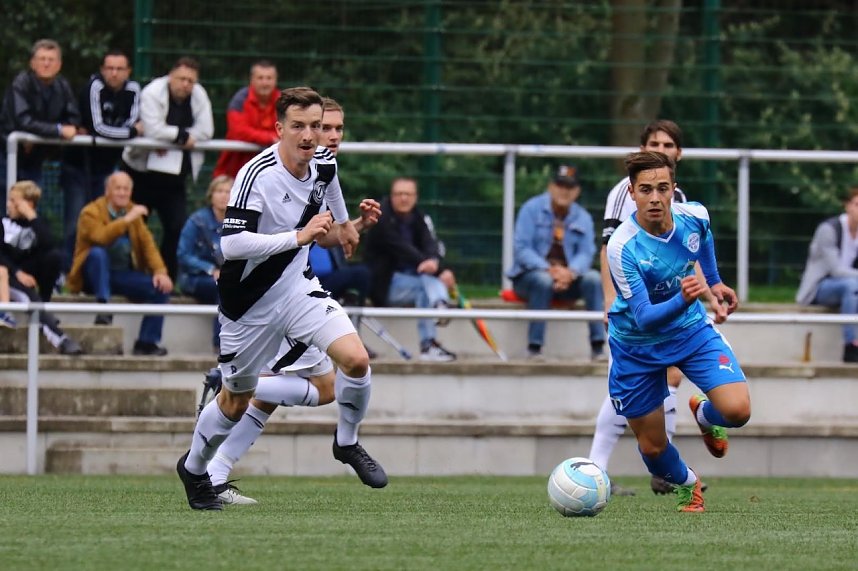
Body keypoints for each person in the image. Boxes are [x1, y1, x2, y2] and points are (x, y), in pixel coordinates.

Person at [177, 87, 381, 511]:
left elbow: (330, 183)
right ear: (279, 129)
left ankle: (347, 442)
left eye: (317, 126)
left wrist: (345, 226)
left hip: (296, 289)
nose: (311, 135)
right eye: (300, 126)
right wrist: (300, 236)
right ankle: (196, 468)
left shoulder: (322, 160)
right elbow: (231, 245)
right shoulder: (256, 174)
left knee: (356, 360)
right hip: (248, 304)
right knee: (235, 400)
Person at [606, 151, 750, 513]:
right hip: (637, 346)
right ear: (632, 192)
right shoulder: (623, 247)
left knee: (738, 411)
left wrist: (714, 284)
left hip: (690, 333)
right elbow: (643, 317)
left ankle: (704, 415)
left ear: (673, 189)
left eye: (662, 188)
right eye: (645, 190)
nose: (654, 197)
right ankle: (689, 483)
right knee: (653, 450)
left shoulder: (695, 216)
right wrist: (686, 299)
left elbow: (704, 241)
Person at [589, 119, 690, 495]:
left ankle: (663, 472)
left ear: (678, 153)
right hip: (632, 306)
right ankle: (596, 468)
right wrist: (609, 299)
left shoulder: (677, 199)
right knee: (627, 386)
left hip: (667, 306)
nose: (661, 150)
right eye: (654, 143)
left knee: (673, 376)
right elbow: (608, 247)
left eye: (667, 145)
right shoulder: (625, 192)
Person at [120, 56, 214, 281]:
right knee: (134, 226)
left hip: (174, 179)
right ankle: (132, 276)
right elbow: (152, 129)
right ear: (170, 76)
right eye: (181, 79)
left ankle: (166, 277)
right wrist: (180, 136)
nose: (186, 85)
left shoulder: (199, 95)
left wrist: (170, 138)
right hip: (141, 174)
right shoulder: (153, 92)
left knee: (177, 227)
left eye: (191, 81)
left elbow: (206, 131)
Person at [67, 171, 173, 356]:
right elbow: (101, 237)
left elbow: (148, 244)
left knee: (160, 288)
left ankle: (146, 343)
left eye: (126, 189)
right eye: (118, 188)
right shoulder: (90, 212)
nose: (123, 193)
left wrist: (160, 271)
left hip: (121, 275)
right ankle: (104, 308)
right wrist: (126, 220)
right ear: (107, 191)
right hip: (92, 277)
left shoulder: (132, 213)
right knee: (98, 254)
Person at [506, 165, 604, 361]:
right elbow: (522, 249)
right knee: (543, 280)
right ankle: (534, 348)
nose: (564, 191)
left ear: (577, 192)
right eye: (560, 185)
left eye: (569, 187)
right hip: (530, 277)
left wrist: (571, 272)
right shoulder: (531, 209)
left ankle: (598, 346)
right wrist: (549, 270)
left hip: (568, 279)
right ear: (551, 187)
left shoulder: (583, 217)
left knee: (594, 278)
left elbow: (587, 252)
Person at [364, 177, 457, 362]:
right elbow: (403, 249)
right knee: (426, 283)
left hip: (416, 280)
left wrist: (436, 265)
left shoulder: (419, 217)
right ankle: (438, 310)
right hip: (385, 285)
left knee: (425, 282)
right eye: (399, 194)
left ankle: (433, 329)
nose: (403, 198)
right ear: (391, 196)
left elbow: (431, 245)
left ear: (415, 197)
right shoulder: (381, 220)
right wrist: (436, 271)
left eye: (408, 194)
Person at [1, 181, 83, 355]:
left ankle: (43, 303)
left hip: (27, 275)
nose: (8, 204)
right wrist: (17, 272)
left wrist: (31, 216)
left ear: (27, 204)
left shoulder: (38, 224)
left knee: (53, 257)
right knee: (28, 297)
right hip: (8, 274)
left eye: (13, 200)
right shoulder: (3, 223)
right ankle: (61, 339)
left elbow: (48, 245)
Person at [0, 39, 81, 213]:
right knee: (6, 211)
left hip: (35, 161)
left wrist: (38, 136)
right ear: (32, 63)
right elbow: (23, 121)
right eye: (42, 59)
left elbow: (74, 119)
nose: (46, 63)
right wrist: (57, 130)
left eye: (51, 60)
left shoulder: (62, 86)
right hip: (6, 157)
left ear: (59, 64)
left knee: (30, 213)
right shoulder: (21, 83)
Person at [66, 50, 143, 203]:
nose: (114, 73)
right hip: (79, 163)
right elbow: (98, 128)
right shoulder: (94, 87)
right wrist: (131, 132)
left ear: (128, 71)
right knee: (76, 221)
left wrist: (126, 130)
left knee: (102, 218)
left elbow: (132, 121)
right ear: (102, 70)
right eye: (109, 68)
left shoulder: (133, 89)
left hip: (109, 164)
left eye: (119, 69)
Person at [796, 186, 858, 363]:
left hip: (851, 287)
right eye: (857, 204)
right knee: (852, 286)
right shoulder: (829, 229)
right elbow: (837, 271)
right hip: (821, 287)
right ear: (847, 206)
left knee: (853, 287)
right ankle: (850, 346)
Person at [177, 175, 232, 354]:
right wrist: (210, 270)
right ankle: (221, 345)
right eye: (219, 191)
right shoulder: (197, 221)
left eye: (228, 191)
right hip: (195, 278)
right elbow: (183, 255)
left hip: (228, 278)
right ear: (211, 195)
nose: (224, 196)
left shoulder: (239, 222)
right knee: (224, 287)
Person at [213, 60, 280, 179]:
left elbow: (290, 129)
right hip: (236, 168)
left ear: (275, 80)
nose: (265, 82)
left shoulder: (282, 101)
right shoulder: (240, 100)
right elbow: (238, 131)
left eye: (269, 78)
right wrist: (270, 138)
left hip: (273, 170)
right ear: (252, 80)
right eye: (260, 78)